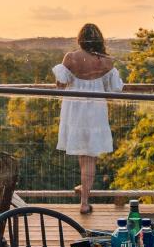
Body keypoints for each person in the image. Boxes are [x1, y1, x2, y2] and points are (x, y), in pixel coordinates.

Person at [53, 23, 124, 214]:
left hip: (75, 108)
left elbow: (60, 85)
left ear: (80, 38)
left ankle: (84, 197)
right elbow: (115, 89)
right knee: (89, 154)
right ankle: (85, 197)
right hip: (96, 109)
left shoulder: (71, 58)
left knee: (83, 153)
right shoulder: (106, 62)